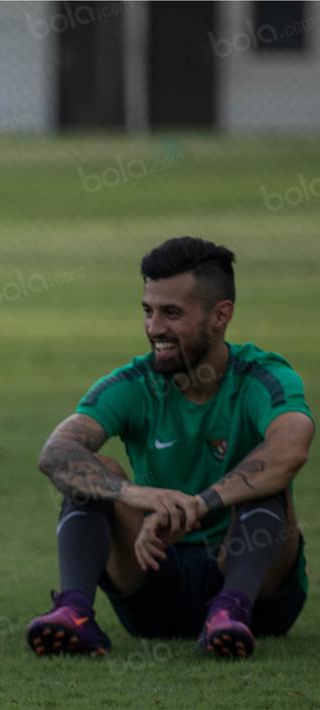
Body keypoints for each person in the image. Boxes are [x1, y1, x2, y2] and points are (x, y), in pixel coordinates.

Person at [28, 236, 312, 659]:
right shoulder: (134, 383)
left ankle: (228, 610)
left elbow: (290, 448)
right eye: (148, 310)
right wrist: (137, 496)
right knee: (97, 471)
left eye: (172, 313)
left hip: (259, 601)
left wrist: (201, 503)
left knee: (269, 479)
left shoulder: (262, 377)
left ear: (221, 316)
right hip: (156, 578)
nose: (154, 327)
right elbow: (55, 453)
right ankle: (74, 613)